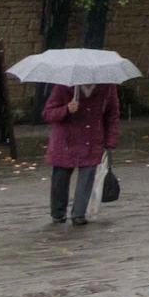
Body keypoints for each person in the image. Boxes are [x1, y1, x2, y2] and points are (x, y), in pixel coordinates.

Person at [42, 82, 120, 226]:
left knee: (87, 178)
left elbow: (112, 114)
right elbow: (48, 113)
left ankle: (79, 214)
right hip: (65, 141)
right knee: (60, 179)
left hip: (92, 140)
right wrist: (66, 109)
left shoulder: (108, 87)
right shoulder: (63, 86)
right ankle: (58, 214)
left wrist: (110, 141)